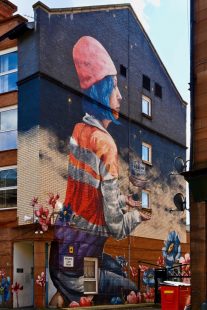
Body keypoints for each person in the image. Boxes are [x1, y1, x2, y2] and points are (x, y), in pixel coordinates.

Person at [49, 36, 151, 307]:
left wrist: (120, 200)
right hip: (80, 269)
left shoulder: (79, 131)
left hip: (59, 255)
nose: (119, 96)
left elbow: (90, 194)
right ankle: (69, 295)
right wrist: (138, 215)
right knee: (132, 289)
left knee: (118, 266)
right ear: (101, 91)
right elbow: (116, 228)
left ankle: (61, 294)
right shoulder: (106, 143)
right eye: (114, 87)